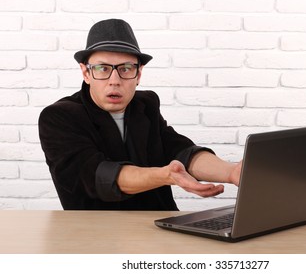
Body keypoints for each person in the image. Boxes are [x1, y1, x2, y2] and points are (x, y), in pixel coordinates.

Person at [38, 19, 242, 210]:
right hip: (96, 234)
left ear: (139, 74)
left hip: (159, 229)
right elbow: (98, 175)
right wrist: (166, 175)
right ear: (86, 73)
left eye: (126, 68)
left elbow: (179, 150)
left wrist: (231, 172)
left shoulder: (145, 105)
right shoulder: (59, 117)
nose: (114, 80)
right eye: (102, 69)